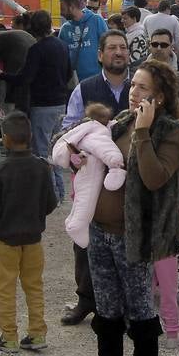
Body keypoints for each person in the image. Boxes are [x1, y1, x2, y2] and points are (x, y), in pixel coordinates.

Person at [71, 62, 179, 356]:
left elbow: (155, 178)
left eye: (142, 88)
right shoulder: (121, 119)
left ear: (161, 95)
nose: (133, 92)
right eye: (134, 85)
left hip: (135, 237)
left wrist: (143, 132)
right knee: (106, 312)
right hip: (100, 232)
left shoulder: (172, 131)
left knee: (139, 314)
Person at [60, 30, 131, 326]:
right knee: (85, 241)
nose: (118, 52)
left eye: (123, 48)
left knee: (127, 241)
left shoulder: (140, 86)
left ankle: (128, 304)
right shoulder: (85, 88)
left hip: (128, 179)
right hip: (90, 179)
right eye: (112, 48)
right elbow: (67, 129)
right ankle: (86, 299)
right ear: (100, 55)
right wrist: (76, 155)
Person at [0, 112, 59, 352]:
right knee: (34, 286)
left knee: (5, 288)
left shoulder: (0, 171)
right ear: (31, 136)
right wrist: (35, 218)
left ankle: (9, 337)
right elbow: (51, 202)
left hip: (6, 240)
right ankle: (37, 334)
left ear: (5, 139)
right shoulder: (42, 167)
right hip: (34, 239)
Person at [2, 10, 72, 172]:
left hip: (41, 106)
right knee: (55, 153)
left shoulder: (36, 50)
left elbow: (25, 78)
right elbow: (69, 73)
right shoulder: (62, 45)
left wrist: (2, 75)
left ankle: (48, 194)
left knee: (41, 154)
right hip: (60, 104)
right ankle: (59, 193)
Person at [54, 103, 127, 250]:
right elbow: (106, 149)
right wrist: (116, 165)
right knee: (86, 200)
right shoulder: (98, 132)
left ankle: (74, 222)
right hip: (92, 173)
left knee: (81, 198)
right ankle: (76, 225)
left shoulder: (82, 130)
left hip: (83, 172)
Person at [59, 0, 108, 83]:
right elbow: (61, 54)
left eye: (63, 9)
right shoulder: (65, 28)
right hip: (74, 79)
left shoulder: (96, 20)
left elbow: (107, 44)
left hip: (96, 76)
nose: (61, 13)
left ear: (72, 7)